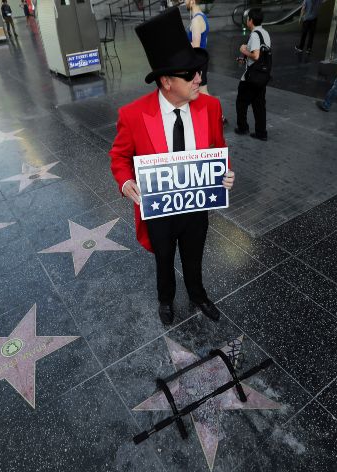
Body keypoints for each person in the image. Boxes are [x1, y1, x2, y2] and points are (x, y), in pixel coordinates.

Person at [109, 6, 235, 326]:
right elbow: (119, 157)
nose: (199, 78)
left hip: (196, 206)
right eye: (190, 75)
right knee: (163, 259)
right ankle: (165, 300)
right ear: (166, 81)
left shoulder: (210, 107)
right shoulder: (133, 115)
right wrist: (126, 182)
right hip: (159, 210)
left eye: (198, 71)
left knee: (194, 256)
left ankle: (198, 295)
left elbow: (218, 148)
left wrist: (225, 172)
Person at [234, 8, 271, 141]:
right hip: (262, 75)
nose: (247, 20)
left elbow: (256, 55)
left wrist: (243, 50)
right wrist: (244, 59)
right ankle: (261, 132)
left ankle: (243, 127)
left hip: (252, 77)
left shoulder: (255, 35)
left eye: (247, 18)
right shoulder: (265, 33)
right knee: (259, 104)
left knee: (241, 102)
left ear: (250, 20)